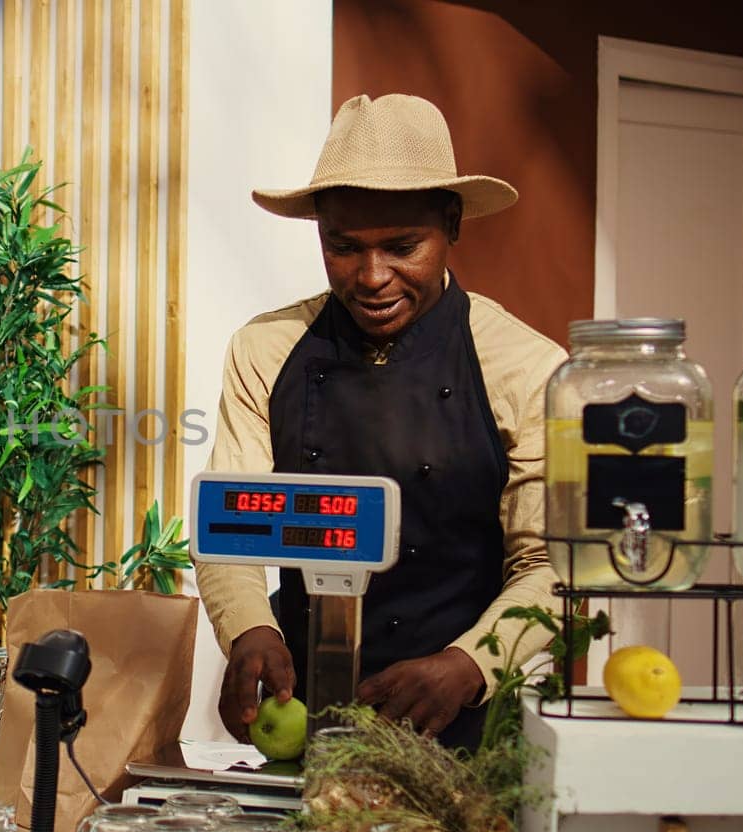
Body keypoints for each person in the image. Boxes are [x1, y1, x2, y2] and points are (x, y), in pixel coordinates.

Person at [197, 93, 565, 749]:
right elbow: (231, 531)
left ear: (452, 223)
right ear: (319, 230)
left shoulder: (527, 366)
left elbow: (550, 564)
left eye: (402, 246)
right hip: (305, 722)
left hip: (470, 724)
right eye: (343, 246)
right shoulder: (266, 348)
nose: (371, 277)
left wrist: (470, 664)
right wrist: (250, 629)